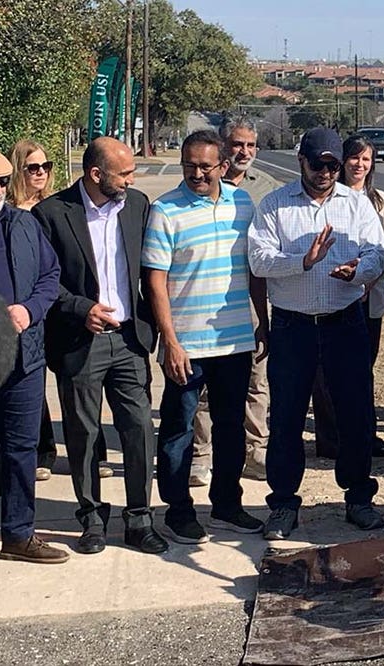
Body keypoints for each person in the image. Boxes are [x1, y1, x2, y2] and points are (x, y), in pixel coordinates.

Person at [248, 127, 384, 540]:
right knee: (287, 416)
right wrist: (303, 261)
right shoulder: (275, 204)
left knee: (355, 413)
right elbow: (259, 260)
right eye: (318, 164)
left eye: (333, 165)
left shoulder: (356, 204)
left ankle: (358, 498)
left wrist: (359, 271)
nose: (326, 173)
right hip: (293, 326)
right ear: (301, 162)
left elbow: (380, 252)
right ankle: (283, 504)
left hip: (344, 322)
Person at [33, 137, 168, 555]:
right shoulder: (52, 214)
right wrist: (80, 308)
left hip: (129, 340)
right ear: (96, 174)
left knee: (139, 429)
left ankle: (139, 519)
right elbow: (43, 280)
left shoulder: (137, 206)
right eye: (124, 174)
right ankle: (91, 519)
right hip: (80, 343)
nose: (131, 180)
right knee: (84, 434)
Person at [143, 130, 267, 545]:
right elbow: (155, 281)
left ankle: (227, 505)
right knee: (179, 429)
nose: (197, 174)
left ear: (222, 166)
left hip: (234, 340)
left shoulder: (242, 205)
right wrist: (170, 341)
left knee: (231, 427)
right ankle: (178, 512)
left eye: (205, 167)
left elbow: (254, 270)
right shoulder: (165, 210)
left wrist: (262, 321)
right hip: (187, 345)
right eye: (189, 166)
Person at [6, 139, 109, 482]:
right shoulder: (9, 213)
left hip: (62, 308)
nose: (41, 173)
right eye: (33, 167)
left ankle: (93, 453)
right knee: (31, 387)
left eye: (46, 166)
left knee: (76, 384)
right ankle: (42, 452)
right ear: (17, 171)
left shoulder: (58, 206)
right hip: (29, 312)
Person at [185, 119, 280, 486]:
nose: (245, 151)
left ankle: (256, 451)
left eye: (251, 145)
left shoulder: (266, 189)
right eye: (238, 144)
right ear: (222, 148)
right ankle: (201, 454)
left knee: (257, 379)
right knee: (207, 388)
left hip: (251, 297)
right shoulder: (204, 183)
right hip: (208, 300)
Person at [0, 149, 68, 563]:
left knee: (21, 447)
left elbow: (50, 275)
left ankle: (19, 534)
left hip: (24, 359)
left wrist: (30, 309)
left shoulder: (24, 223)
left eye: (2, 182)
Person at [311, 133, 384, 460]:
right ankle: (330, 438)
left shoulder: (381, 201)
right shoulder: (328, 197)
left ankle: (365, 435)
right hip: (332, 295)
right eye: (354, 158)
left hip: (368, 299)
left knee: (362, 370)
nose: (359, 164)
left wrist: (365, 280)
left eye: (366, 159)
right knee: (326, 371)